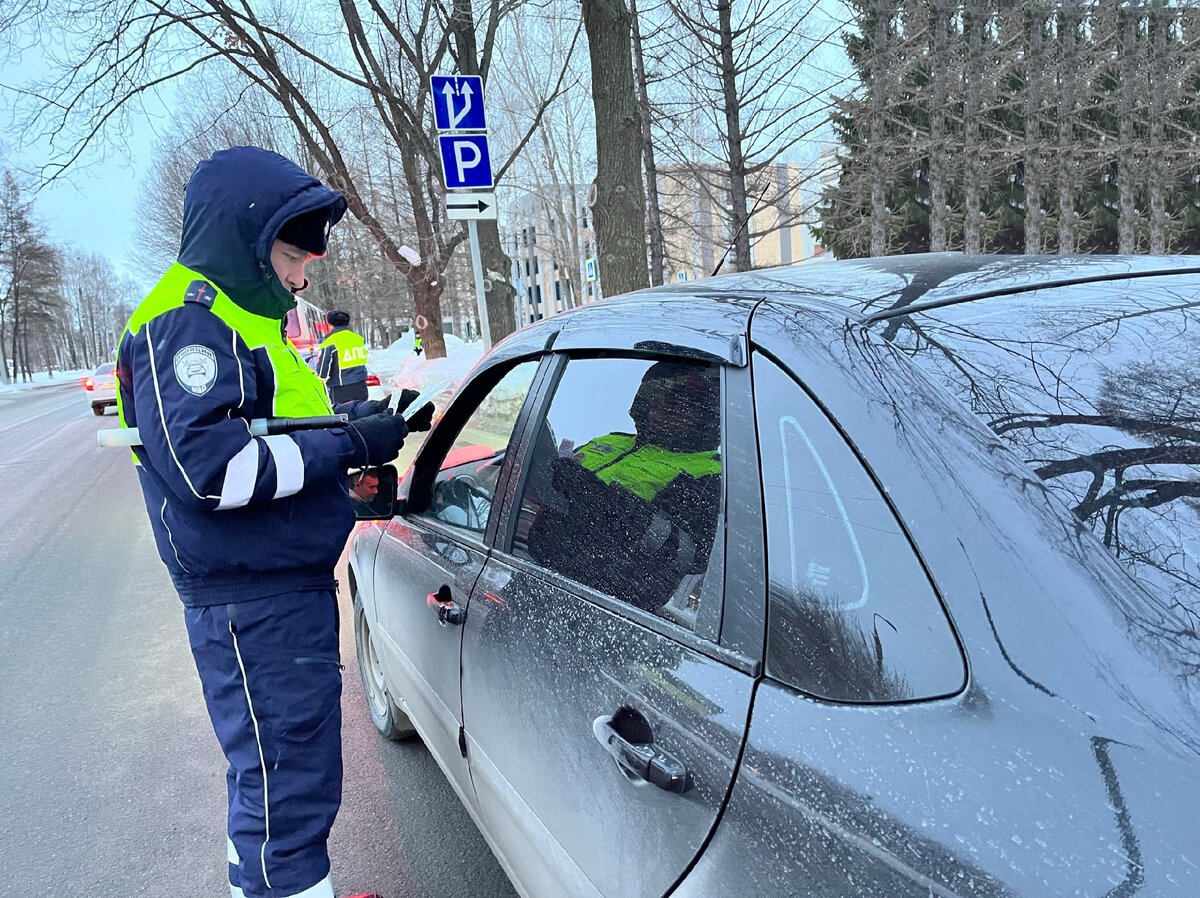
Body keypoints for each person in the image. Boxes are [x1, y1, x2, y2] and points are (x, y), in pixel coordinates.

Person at [114, 146, 432, 898]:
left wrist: (349, 423)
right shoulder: (186, 326)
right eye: (293, 255)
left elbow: (272, 428)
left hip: (270, 594)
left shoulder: (231, 323)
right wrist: (348, 443)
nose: (302, 276)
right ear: (247, 241)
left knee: (286, 781)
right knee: (282, 790)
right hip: (252, 604)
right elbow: (215, 472)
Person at [527, 360, 722, 611]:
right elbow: (548, 484)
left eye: (675, 404)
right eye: (653, 398)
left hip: (602, 610)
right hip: (533, 574)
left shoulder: (707, 474)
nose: (658, 410)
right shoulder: (611, 441)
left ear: (704, 413)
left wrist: (597, 498)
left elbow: (684, 552)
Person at [317, 309, 369, 403]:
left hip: (341, 389)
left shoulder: (329, 342)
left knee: (344, 415)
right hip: (361, 385)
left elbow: (323, 371)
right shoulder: (358, 339)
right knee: (362, 412)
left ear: (330, 324)